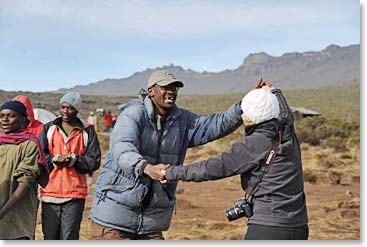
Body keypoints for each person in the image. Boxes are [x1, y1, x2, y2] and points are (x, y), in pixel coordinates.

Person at [89, 70, 244, 240]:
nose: (171, 91)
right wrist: (145, 167)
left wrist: (246, 105)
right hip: (114, 217)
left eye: (174, 88)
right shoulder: (133, 114)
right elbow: (122, 147)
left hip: (151, 221)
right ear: (151, 91)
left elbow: (215, 125)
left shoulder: (183, 120)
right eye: (165, 87)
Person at [161, 82, 309, 240]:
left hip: (268, 227)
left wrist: (170, 172)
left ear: (249, 117)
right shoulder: (287, 131)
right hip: (299, 226)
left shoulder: (253, 144)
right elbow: (285, 112)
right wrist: (275, 91)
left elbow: (213, 168)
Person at [38, 92, 101, 240]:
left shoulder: (87, 131)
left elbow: (94, 161)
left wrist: (74, 159)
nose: (66, 111)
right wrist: (54, 159)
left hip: (75, 194)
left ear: (77, 110)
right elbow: (39, 157)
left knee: (69, 237)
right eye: (63, 107)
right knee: (50, 237)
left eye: (70, 108)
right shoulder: (49, 129)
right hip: (50, 192)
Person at [0, 100, 49, 240]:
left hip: (17, 218)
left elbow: (25, 183)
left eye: (10, 115)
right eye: (1, 116)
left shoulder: (29, 145)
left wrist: (2, 212)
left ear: (22, 119)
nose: (5, 119)